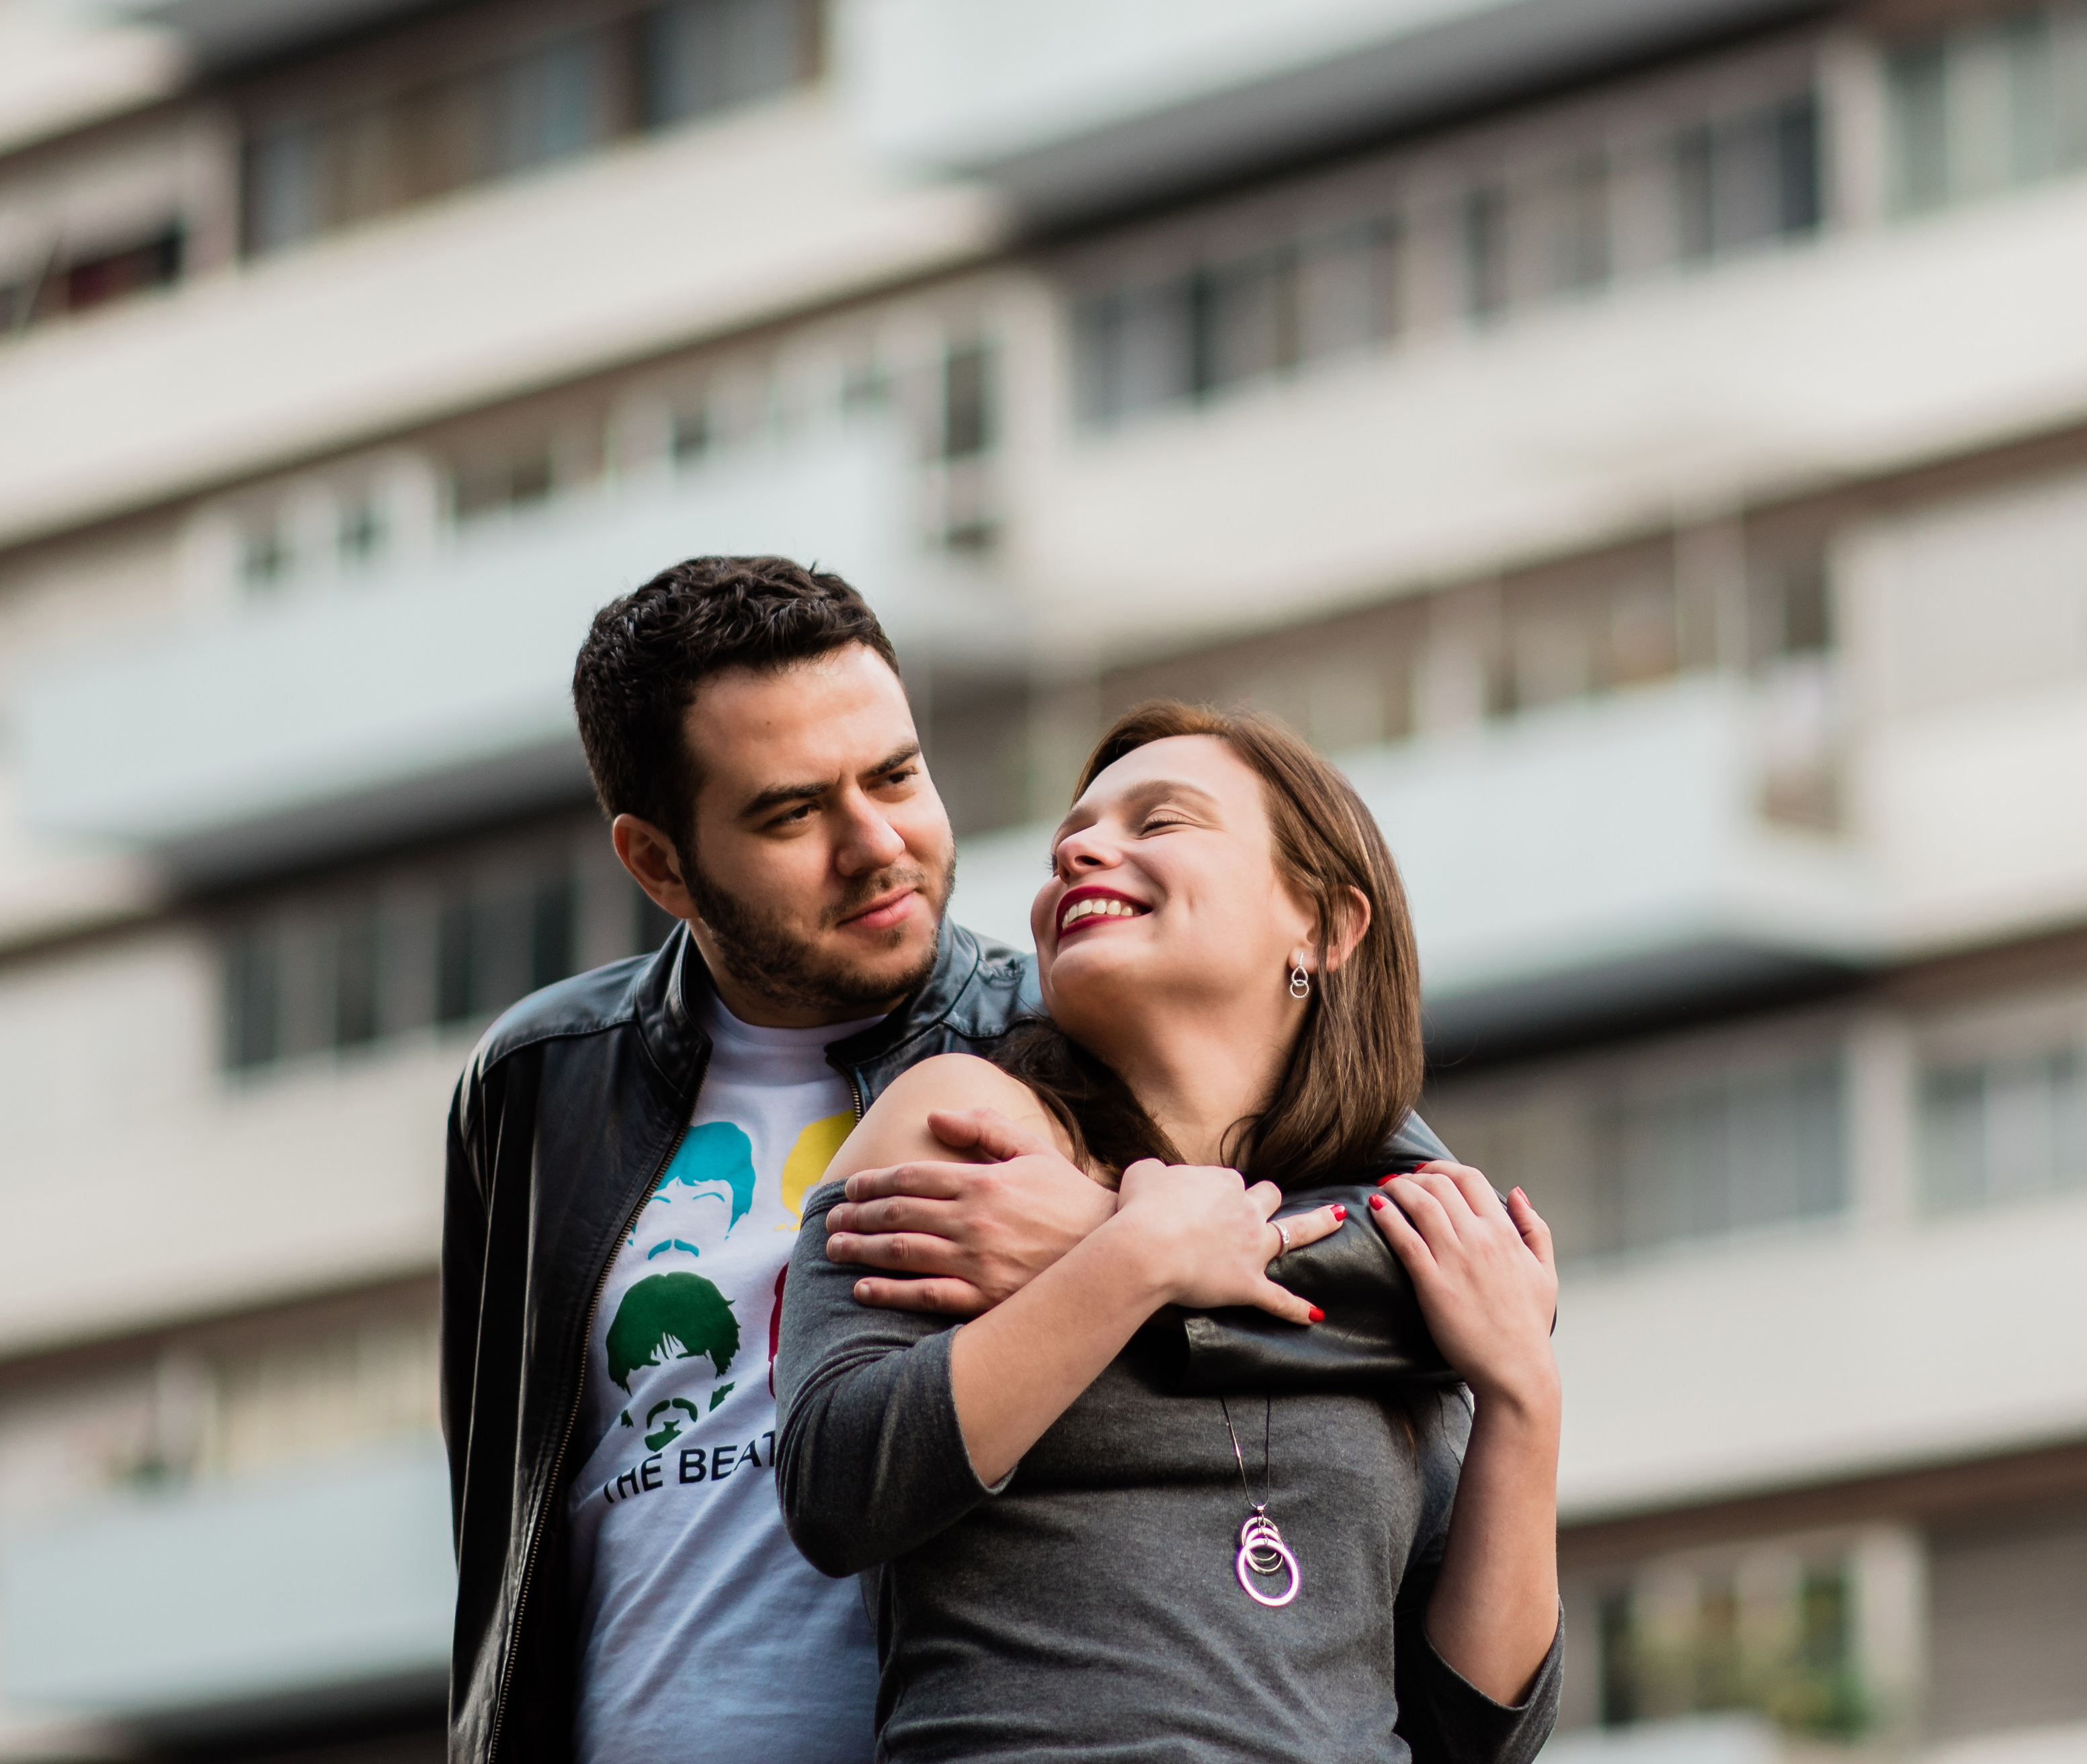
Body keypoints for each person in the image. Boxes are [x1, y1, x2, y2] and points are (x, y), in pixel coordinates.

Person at [440, 558, 1441, 1764]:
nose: (877, 845)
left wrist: (1103, 1242)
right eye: (793, 812)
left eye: (898, 776)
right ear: (657, 863)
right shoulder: (539, 1081)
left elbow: (1440, 1260)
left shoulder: (1067, 1026)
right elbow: (507, 1514)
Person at [775, 702, 1564, 1764]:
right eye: (1073, 839)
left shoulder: (1395, 1239)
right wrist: (1132, 1258)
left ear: (1326, 927)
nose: (1079, 850)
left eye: (1161, 821)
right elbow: (838, 1485)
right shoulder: (966, 1126)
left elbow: (1477, 1736)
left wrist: (1523, 1397)